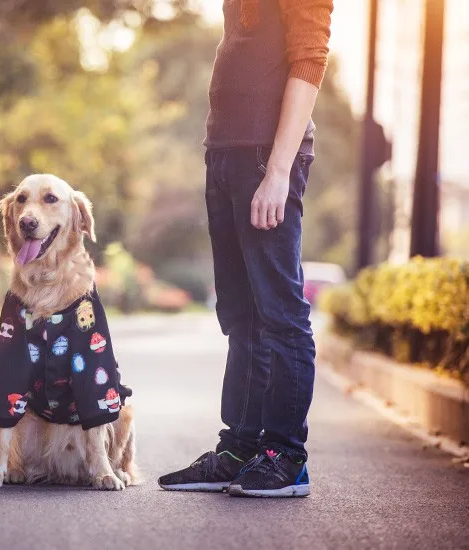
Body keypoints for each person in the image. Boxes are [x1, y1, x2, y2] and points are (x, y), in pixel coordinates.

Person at [158, 0, 333, 497]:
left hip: (265, 156)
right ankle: (240, 447)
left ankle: (285, 456)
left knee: (280, 312)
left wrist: (278, 171)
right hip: (225, 153)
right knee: (239, 314)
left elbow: (309, 60)